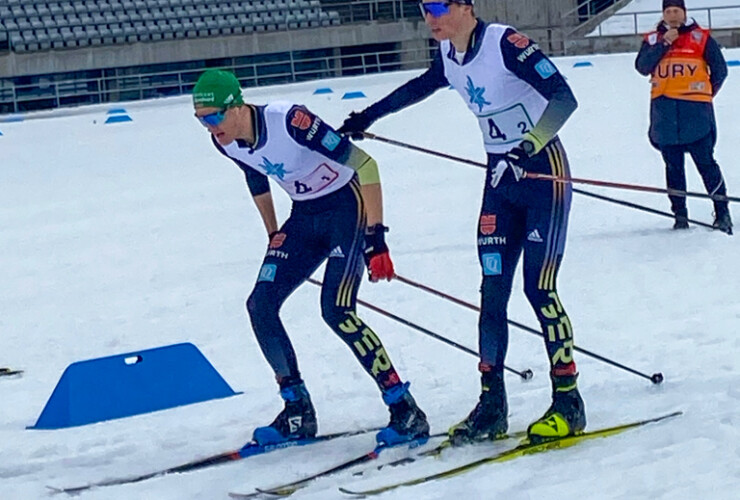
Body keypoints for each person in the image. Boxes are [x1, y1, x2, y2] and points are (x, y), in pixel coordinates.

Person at [338, 0, 585, 444]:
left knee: (538, 286)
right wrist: (367, 117)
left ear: (466, 7)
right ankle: (492, 404)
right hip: (499, 182)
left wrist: (525, 148)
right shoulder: (450, 55)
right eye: (423, 8)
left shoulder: (504, 43)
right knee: (491, 293)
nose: (430, 17)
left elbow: (564, 99)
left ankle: (568, 400)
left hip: (542, 173)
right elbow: (419, 87)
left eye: (437, 6)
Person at [192, 69, 429, 447]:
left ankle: (405, 408)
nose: (209, 126)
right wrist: (273, 234)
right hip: (304, 215)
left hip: (346, 208)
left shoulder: (290, 120)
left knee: (336, 310)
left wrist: (376, 239)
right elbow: (255, 177)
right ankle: (296, 410)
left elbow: (366, 165)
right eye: (200, 119)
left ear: (236, 106)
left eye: (214, 116)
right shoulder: (225, 141)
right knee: (261, 305)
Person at [635, 0, 731, 234]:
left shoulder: (701, 38)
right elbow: (642, 67)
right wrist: (664, 43)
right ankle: (680, 216)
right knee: (673, 168)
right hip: (665, 116)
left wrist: (706, 95)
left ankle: (722, 213)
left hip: (696, 114)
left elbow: (720, 70)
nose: (672, 15)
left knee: (706, 165)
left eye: (676, 11)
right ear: (663, 14)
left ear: (685, 13)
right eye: (668, 11)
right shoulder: (652, 40)